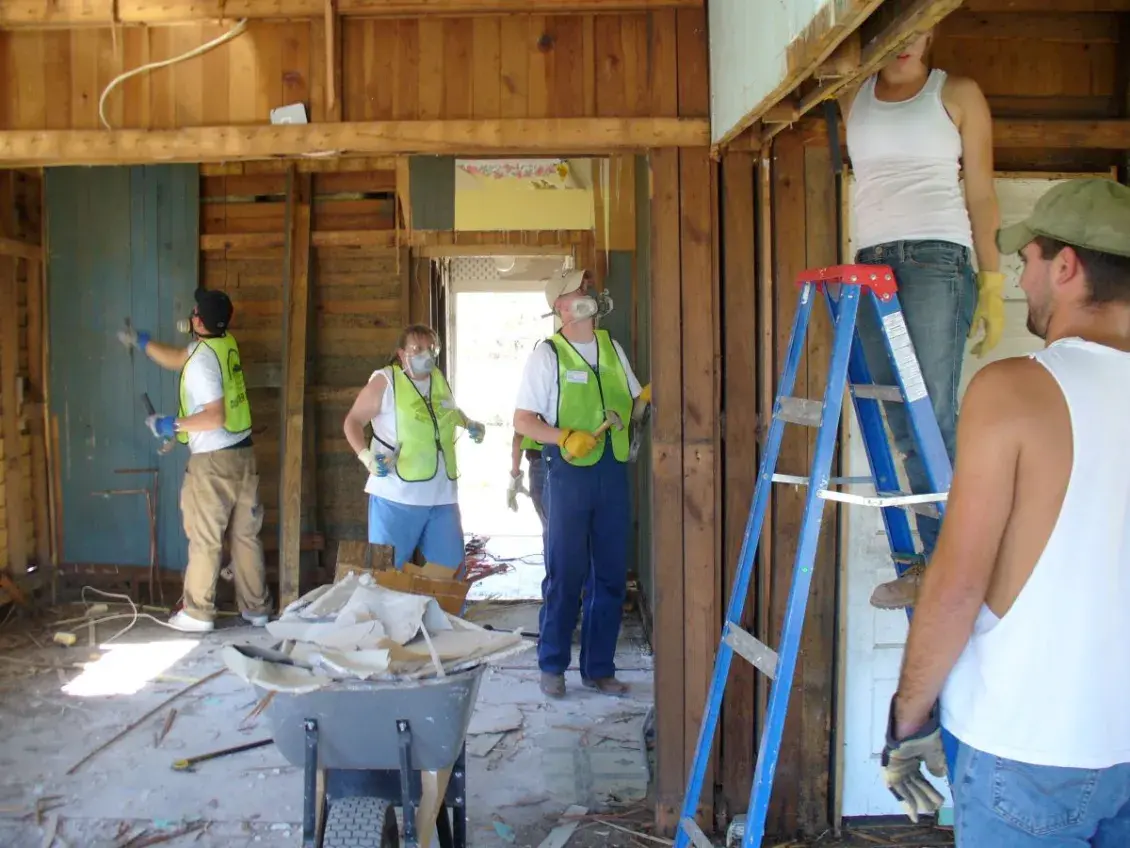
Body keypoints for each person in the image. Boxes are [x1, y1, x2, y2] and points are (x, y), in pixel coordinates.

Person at [879, 179, 1130, 846]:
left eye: (1028, 261)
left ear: (1067, 266)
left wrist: (909, 717)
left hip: (1027, 748)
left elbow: (958, 585)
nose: (1023, 277)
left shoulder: (1017, 390)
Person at [841, 28, 1003, 609]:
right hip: (872, 264)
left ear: (935, 29)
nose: (907, 43)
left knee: (931, 416)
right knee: (900, 421)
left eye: (920, 30)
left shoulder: (956, 92)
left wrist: (992, 279)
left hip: (938, 259)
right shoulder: (849, 94)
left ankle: (954, 566)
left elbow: (981, 193)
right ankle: (930, 563)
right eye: (895, 33)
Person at [513, 269, 650, 699]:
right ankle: (552, 665)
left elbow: (633, 404)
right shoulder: (547, 356)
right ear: (561, 307)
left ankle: (599, 669)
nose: (587, 294)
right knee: (566, 572)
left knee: (609, 574)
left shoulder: (611, 347)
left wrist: (648, 396)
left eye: (587, 289)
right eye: (578, 290)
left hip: (611, 470)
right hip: (568, 471)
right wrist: (563, 435)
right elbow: (523, 419)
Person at [118, 287, 270, 633]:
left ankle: (198, 612)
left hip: (213, 461)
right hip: (242, 455)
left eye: (193, 312)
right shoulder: (223, 343)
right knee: (246, 537)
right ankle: (256, 609)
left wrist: (171, 424)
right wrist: (143, 343)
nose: (190, 315)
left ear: (197, 321)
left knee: (205, 537)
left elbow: (213, 417)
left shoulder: (202, 360)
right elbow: (177, 358)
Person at [343, 324, 485, 572]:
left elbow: (447, 409)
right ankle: (381, 613)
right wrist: (366, 456)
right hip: (396, 495)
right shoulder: (386, 381)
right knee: (385, 572)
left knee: (450, 573)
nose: (426, 354)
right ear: (401, 354)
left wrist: (468, 423)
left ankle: (445, 613)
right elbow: (352, 421)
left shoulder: (438, 378)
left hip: (442, 496)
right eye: (417, 349)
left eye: (431, 348)